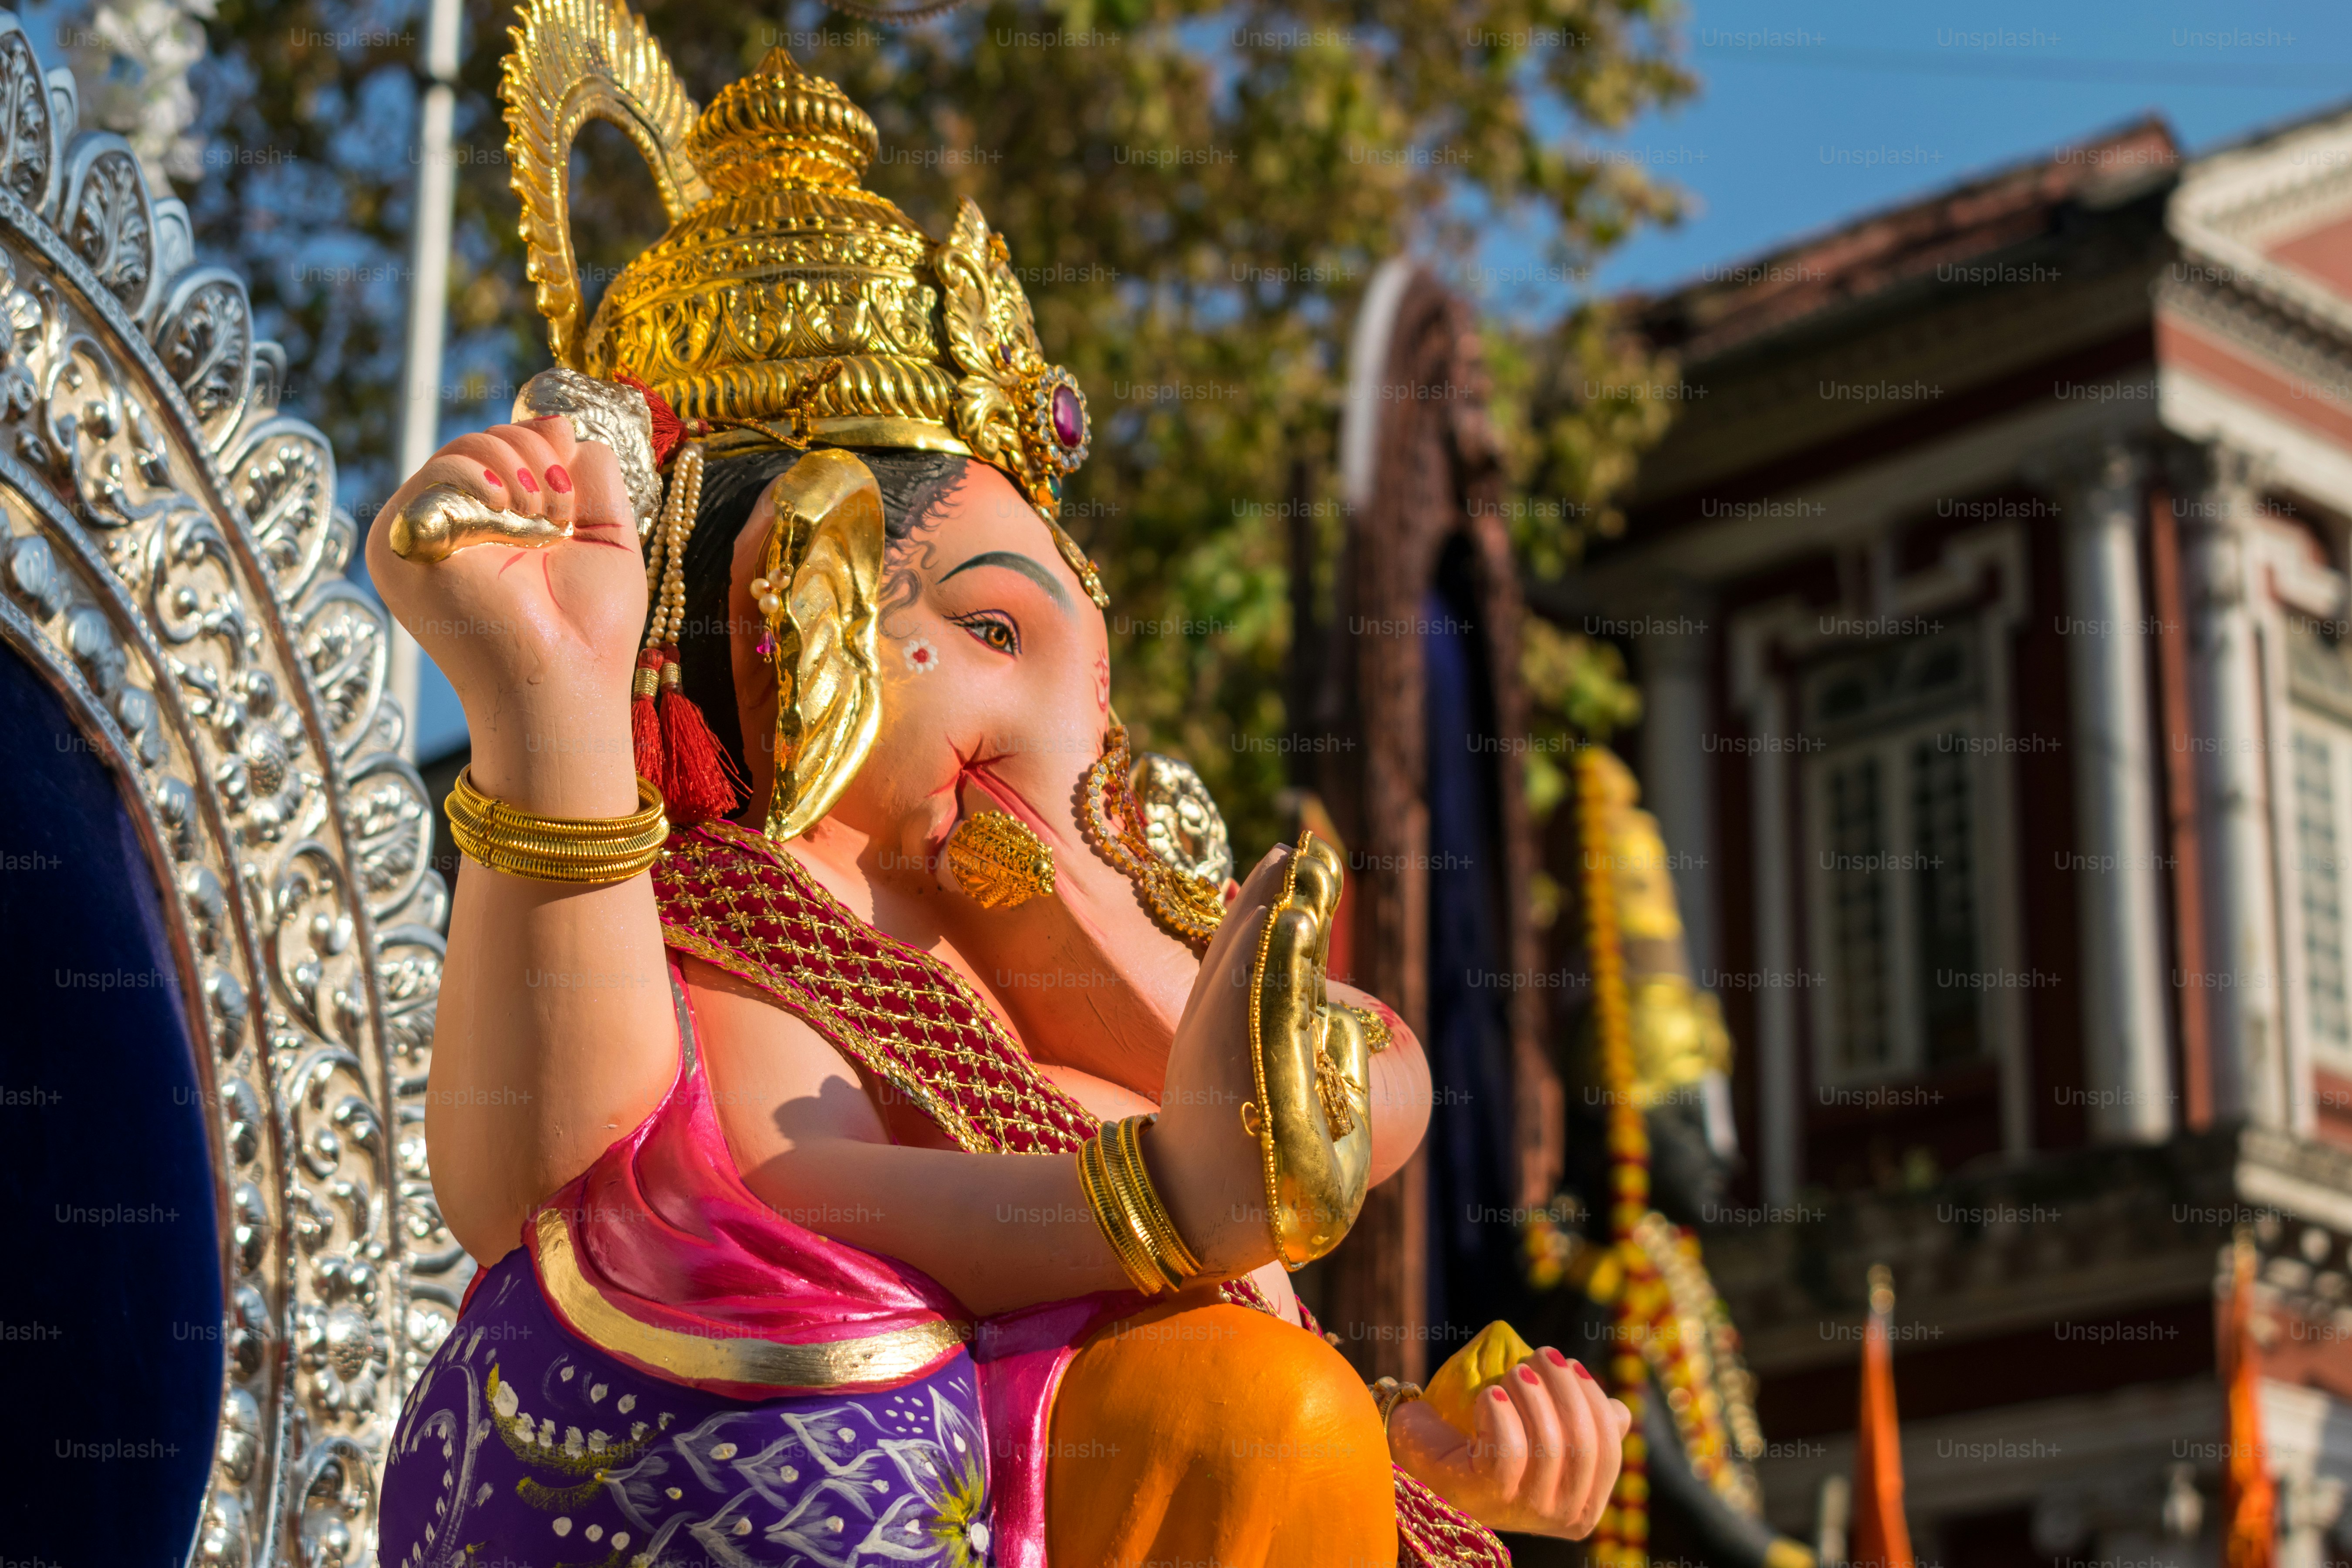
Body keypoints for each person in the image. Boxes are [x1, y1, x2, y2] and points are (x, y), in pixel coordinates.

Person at [371, 12, 1627, 1565]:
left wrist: (1412, 1463)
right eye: (989, 632)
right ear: (799, 616)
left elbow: (1317, 1148)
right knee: (1263, 1415)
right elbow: (750, 1197)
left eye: (1080, 668)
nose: (1073, 729)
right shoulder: (751, 924)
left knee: (1290, 1417)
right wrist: (1147, 1205)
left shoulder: (1013, 957)